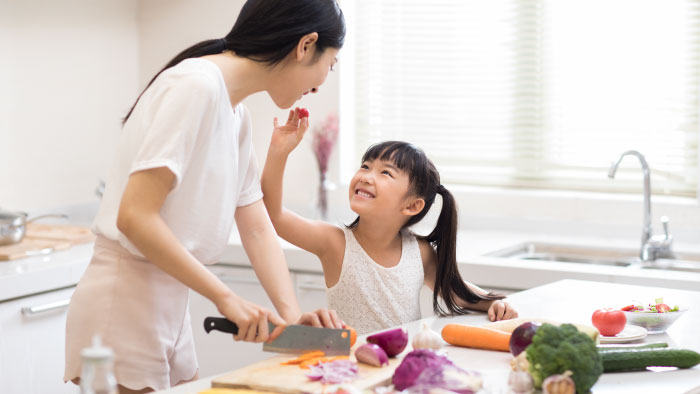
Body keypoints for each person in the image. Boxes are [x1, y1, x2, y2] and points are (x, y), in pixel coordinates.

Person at [64, 0, 346, 392]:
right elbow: (135, 216)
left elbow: (256, 226)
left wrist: (291, 317)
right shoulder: (195, 86)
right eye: (329, 65)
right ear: (305, 45)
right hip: (124, 303)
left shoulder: (235, 114)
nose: (319, 85)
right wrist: (224, 297)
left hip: (169, 304)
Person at [262, 136, 518, 335]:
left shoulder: (419, 251)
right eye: (365, 166)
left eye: (385, 173)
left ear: (412, 206)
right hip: (350, 369)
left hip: (403, 367)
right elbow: (275, 216)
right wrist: (279, 152)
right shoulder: (335, 243)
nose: (366, 176)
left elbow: (454, 290)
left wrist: (492, 303)